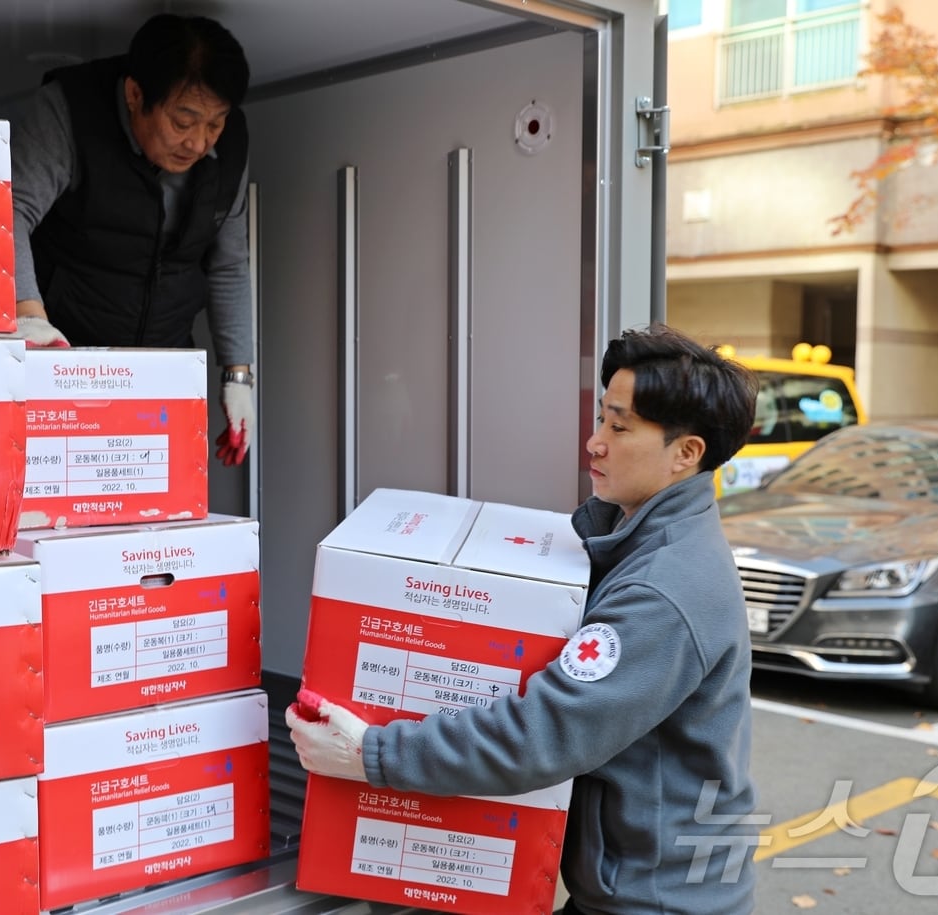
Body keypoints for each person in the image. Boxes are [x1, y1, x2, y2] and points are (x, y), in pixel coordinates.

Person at [287, 324, 761, 915]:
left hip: (659, 902)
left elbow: (544, 735)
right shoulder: (641, 544)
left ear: (685, 454)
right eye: (600, 420)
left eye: (620, 427)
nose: (595, 442)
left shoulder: (663, 589)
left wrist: (371, 753)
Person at [10, 14, 256, 465]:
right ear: (135, 94)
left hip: (163, 367)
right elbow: (10, 211)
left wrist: (238, 376)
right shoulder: (69, 110)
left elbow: (229, 262)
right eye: (184, 121)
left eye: (214, 124)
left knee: (160, 519)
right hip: (66, 356)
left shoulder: (231, 145)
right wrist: (29, 318)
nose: (199, 143)